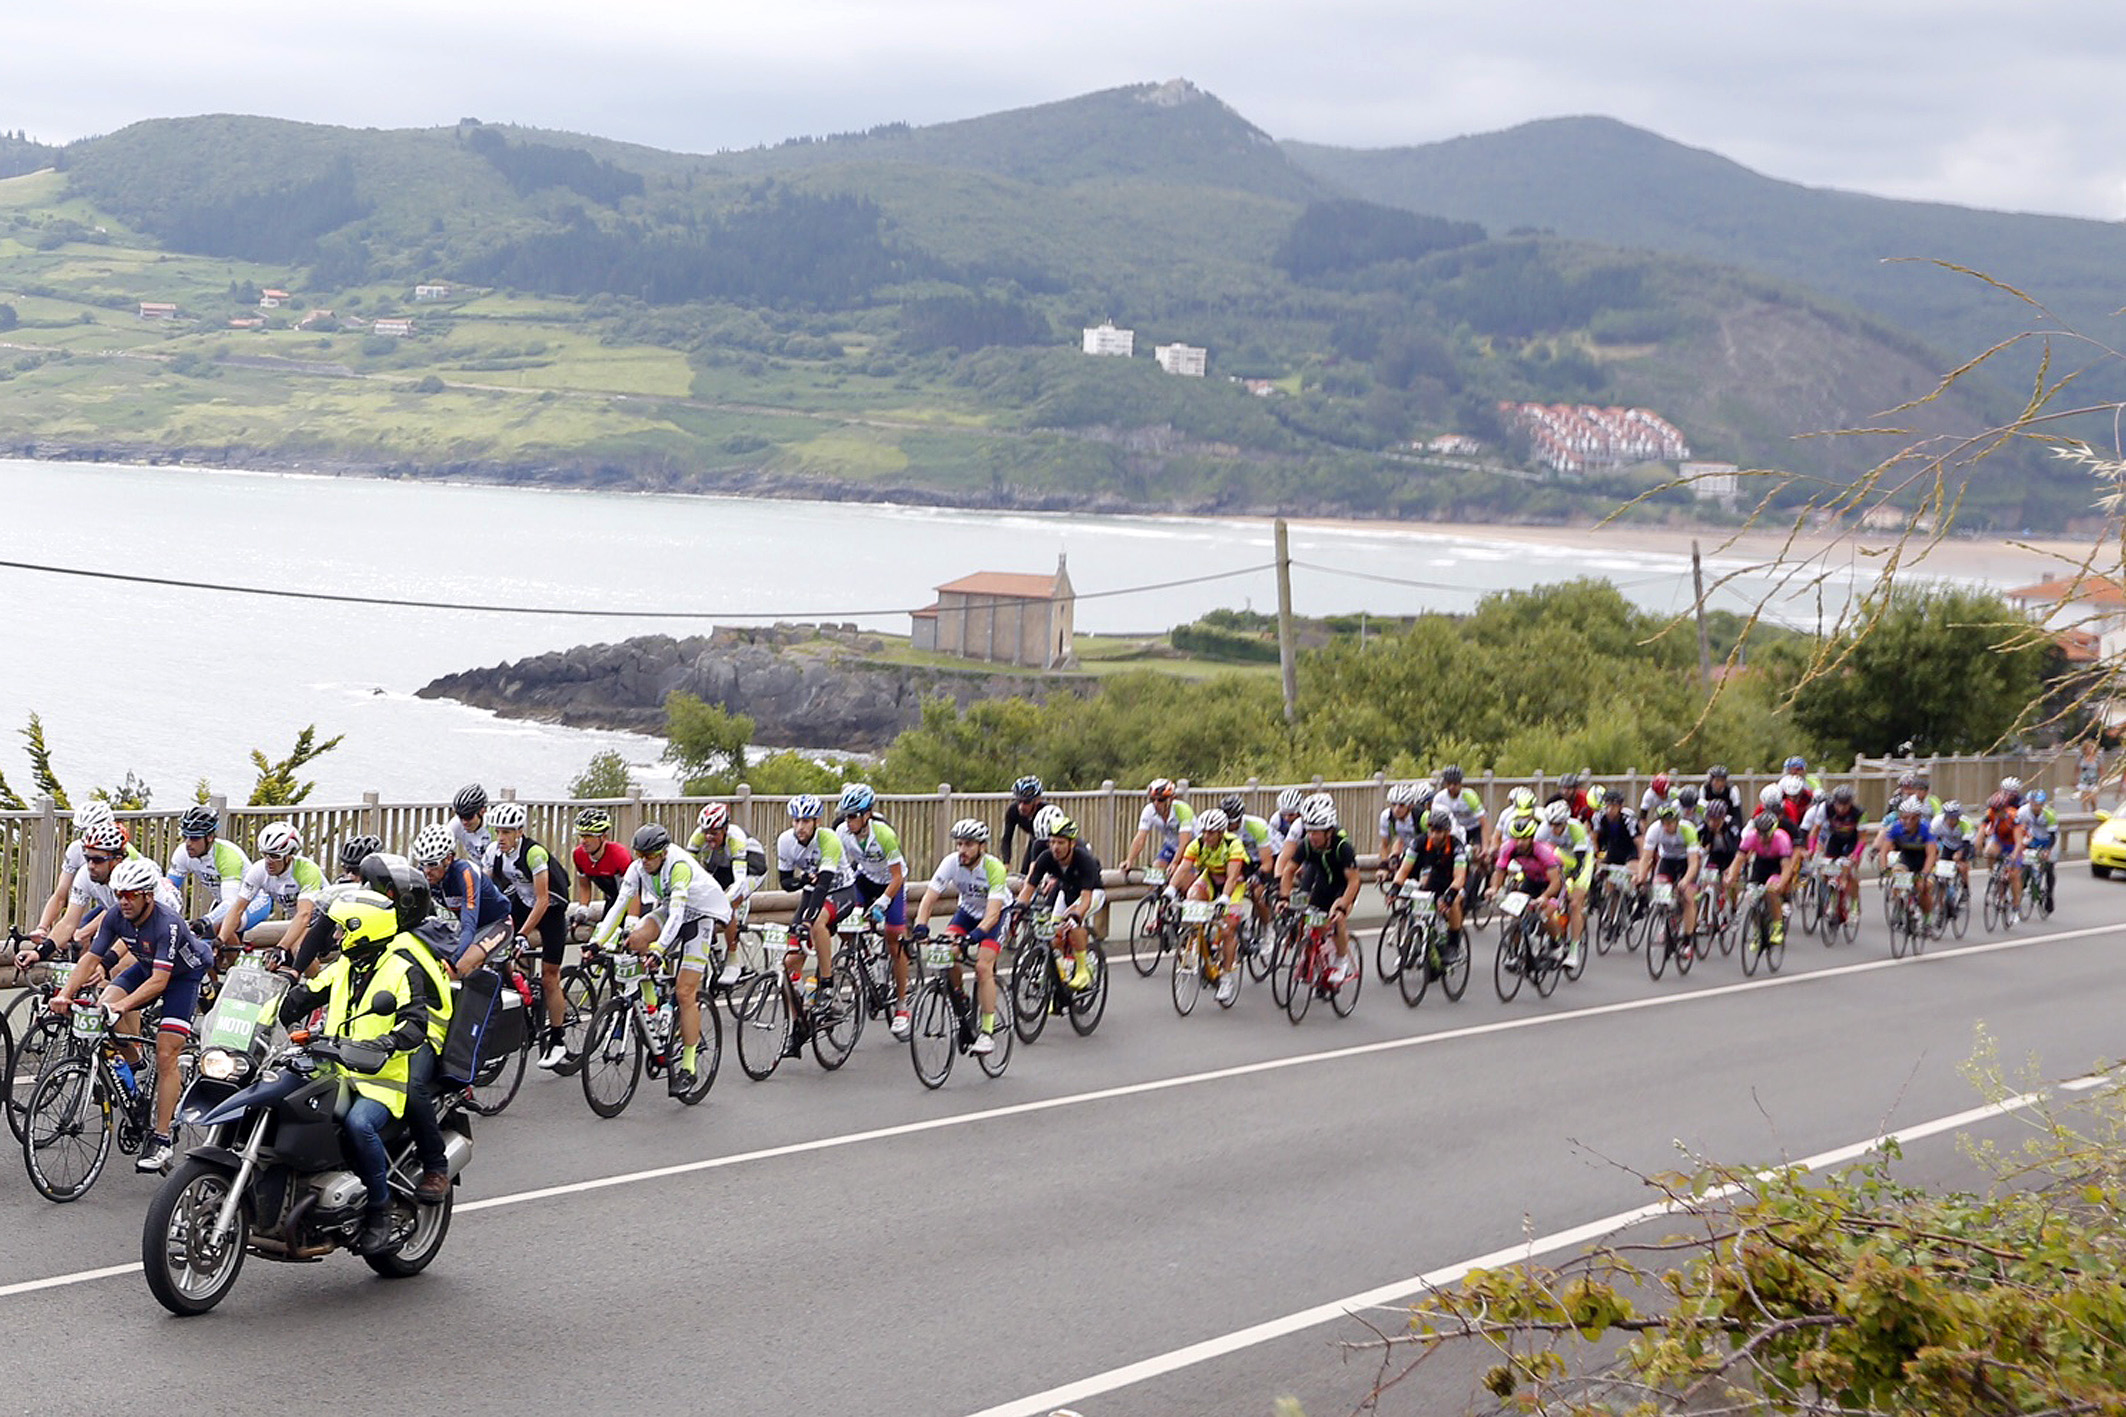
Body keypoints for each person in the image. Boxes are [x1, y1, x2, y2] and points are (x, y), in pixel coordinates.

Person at [276, 880, 454, 1254]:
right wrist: (275, 1004)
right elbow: (307, 995)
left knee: (359, 1124)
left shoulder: (401, 968)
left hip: (382, 1077)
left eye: (343, 927)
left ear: (362, 930)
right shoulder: (344, 966)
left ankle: (379, 1208)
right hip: (337, 1068)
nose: (336, 935)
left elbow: (414, 1024)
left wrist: (388, 1042)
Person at [48, 857, 215, 1173]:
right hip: (148, 965)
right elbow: (90, 960)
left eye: (131, 895)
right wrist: (65, 994)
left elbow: (159, 982)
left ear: (148, 896)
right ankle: (136, 1066)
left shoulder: (168, 924)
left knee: (166, 1053)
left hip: (183, 976)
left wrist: (123, 1006)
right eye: (119, 893)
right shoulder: (115, 916)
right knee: (103, 1004)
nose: (123, 900)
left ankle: (162, 1140)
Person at [590, 823, 730, 1094]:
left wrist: (660, 950)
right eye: (640, 855)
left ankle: (688, 1066)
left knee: (686, 992)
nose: (644, 862)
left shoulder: (679, 866)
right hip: (671, 909)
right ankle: (653, 1010)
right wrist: (597, 942)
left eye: (649, 856)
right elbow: (621, 904)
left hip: (700, 916)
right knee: (636, 940)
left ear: (663, 853)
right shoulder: (638, 866)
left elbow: (678, 915)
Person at [909, 818, 1012, 1054]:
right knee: (946, 952)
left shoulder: (993, 868)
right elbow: (928, 899)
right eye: (959, 844)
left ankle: (987, 1032)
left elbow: (993, 914)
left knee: (983, 967)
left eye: (968, 845)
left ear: (981, 846)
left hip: (995, 915)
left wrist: (974, 936)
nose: (962, 850)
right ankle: (960, 997)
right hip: (967, 912)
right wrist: (921, 926)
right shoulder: (951, 863)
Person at [484, 802, 572, 1069]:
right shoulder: (494, 852)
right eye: (498, 831)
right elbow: (487, 891)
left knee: (549, 977)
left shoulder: (534, 854)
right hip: (522, 901)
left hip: (550, 908)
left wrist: (522, 934)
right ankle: (522, 997)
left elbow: (543, 900)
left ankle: (557, 1040)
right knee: (496, 952)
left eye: (507, 832)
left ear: (519, 832)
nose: (501, 837)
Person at [834, 785, 910, 1031]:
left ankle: (901, 1005)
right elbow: (843, 870)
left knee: (893, 938)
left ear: (867, 815)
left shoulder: (884, 834)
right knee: (844, 923)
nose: (849, 821)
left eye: (853, 816)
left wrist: (883, 902)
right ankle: (864, 958)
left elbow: (897, 877)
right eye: (846, 816)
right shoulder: (842, 833)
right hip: (864, 879)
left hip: (891, 882)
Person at [776, 794, 854, 1015]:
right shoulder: (785, 841)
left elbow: (824, 884)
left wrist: (807, 921)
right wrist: (802, 880)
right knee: (790, 961)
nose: (800, 826)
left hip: (840, 891)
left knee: (817, 922)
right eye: (796, 821)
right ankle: (797, 1025)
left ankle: (828, 983)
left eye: (806, 821)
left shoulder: (828, 839)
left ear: (817, 822)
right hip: (811, 894)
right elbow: (786, 883)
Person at [1016, 807, 1103, 995]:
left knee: (1071, 922)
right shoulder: (1046, 857)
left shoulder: (1084, 860)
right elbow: (1028, 888)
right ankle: (1060, 972)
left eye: (1061, 842)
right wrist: (1018, 908)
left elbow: (1086, 900)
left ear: (1071, 843)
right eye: (1052, 842)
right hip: (1067, 891)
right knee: (1053, 932)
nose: (1055, 847)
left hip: (1091, 893)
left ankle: (1082, 971)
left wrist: (1076, 915)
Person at [1278, 795, 1363, 988]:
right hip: (1323, 885)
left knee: (1336, 917)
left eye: (1316, 832)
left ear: (1329, 832)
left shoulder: (1343, 847)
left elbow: (1354, 881)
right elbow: (1289, 870)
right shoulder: (1307, 844)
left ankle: (1341, 961)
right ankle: (1317, 958)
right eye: (1309, 831)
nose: (1312, 836)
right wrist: (1284, 897)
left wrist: (1343, 905)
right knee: (1311, 921)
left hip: (1344, 887)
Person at [1168, 808, 1249, 1004]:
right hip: (1211, 879)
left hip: (1233, 884)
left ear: (1221, 833)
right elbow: (1183, 868)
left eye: (1211, 833)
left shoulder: (1234, 845)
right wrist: (1170, 889)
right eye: (1203, 832)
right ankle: (1194, 940)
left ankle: (1227, 978)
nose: (1206, 836)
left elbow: (1231, 878)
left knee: (1228, 928)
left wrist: (1224, 899)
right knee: (1192, 897)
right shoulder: (1197, 844)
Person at [409, 822, 511, 976]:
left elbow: (469, 926)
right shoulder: (426, 874)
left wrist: (451, 962)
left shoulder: (465, 873)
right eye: (422, 864)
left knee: (460, 967)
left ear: (448, 859)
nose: (426, 871)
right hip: (469, 926)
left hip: (496, 924)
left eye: (432, 864)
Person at [216, 821, 326, 957]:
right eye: (265, 854)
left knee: (298, 949)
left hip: (326, 920)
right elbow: (237, 909)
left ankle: (315, 978)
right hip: (301, 922)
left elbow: (304, 915)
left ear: (289, 856)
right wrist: (219, 940)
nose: (268, 861)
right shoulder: (259, 870)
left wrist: (281, 948)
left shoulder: (307, 870)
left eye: (274, 856)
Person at [688, 802, 763, 988]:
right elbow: (688, 872)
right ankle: (714, 950)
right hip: (722, 868)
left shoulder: (735, 838)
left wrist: (722, 902)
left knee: (728, 906)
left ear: (725, 828)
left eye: (714, 833)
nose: (709, 837)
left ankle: (733, 960)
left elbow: (738, 881)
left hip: (751, 871)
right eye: (706, 831)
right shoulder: (698, 837)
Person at [1389, 808, 1469, 969]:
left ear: (1447, 832)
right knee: (1417, 899)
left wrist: (1448, 897)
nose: (1434, 835)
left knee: (1453, 903)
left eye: (1439, 831)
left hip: (1454, 881)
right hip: (1434, 879)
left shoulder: (1456, 846)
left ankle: (1453, 945)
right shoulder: (1419, 842)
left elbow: (1459, 877)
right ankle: (1419, 941)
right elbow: (1404, 870)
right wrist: (1394, 889)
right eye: (1432, 830)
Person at [165, 805, 259, 935]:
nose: (188, 843)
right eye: (185, 836)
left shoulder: (228, 856)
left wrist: (205, 921)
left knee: (220, 925)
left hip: (253, 901)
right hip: (224, 901)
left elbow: (232, 903)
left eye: (194, 838)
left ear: (209, 837)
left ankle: (231, 954)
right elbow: (170, 888)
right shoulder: (183, 852)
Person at [1731, 808, 1799, 949]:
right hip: (1760, 864)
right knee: (1752, 897)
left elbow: (1787, 867)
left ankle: (1777, 926)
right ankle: (1758, 932)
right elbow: (1739, 858)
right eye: (1759, 834)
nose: (1762, 838)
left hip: (1777, 865)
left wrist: (1781, 883)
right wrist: (1732, 876)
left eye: (1765, 834)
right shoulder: (1751, 836)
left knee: (1771, 890)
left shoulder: (1782, 839)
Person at [1635, 802, 1702, 940]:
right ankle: (1668, 919)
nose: (1666, 826)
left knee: (1688, 897)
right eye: (1664, 823)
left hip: (1686, 861)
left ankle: (1688, 941)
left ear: (1677, 821)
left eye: (1670, 823)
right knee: (1659, 886)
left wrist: (1685, 880)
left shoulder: (1687, 830)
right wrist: (1640, 876)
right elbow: (1646, 858)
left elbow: (1694, 863)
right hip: (1667, 860)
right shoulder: (1654, 830)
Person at [1873, 796, 1940, 920]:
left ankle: (1927, 918)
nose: (1908, 821)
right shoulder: (1896, 828)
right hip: (1907, 857)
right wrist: (1883, 868)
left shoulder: (1926, 829)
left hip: (1924, 860)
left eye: (1913, 818)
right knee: (1897, 877)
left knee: (1922, 887)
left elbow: (1931, 854)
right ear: (1900, 817)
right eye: (1904, 817)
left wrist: (1925, 873)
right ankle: (1901, 903)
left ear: (1919, 817)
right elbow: (1884, 851)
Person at [569, 807, 633, 926]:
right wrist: (583, 908)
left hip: (634, 899)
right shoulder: (578, 855)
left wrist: (631, 922)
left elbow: (633, 893)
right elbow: (584, 886)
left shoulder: (619, 855)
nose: (583, 841)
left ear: (603, 837)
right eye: (581, 835)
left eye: (588, 836)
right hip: (613, 899)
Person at [1121, 778, 1196, 875]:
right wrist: (1129, 860)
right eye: (1152, 799)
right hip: (1171, 845)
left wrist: (1175, 863)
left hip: (1192, 846)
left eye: (1161, 799)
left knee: (1181, 875)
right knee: (1156, 871)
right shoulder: (1149, 810)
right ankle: (1156, 890)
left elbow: (1184, 841)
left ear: (1172, 798)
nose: (1156, 803)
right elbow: (1140, 838)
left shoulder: (1183, 810)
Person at [999, 775, 1050, 874]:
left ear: (1037, 800)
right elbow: (1006, 838)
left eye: (1026, 802)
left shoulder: (1046, 812)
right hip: (1034, 842)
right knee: (1025, 875)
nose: (1021, 806)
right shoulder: (1013, 810)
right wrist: (1006, 862)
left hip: (1049, 843)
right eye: (1019, 801)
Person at [2019, 788, 2059, 911]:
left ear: (2042, 805)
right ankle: (2024, 881)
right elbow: (2019, 829)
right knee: (2026, 862)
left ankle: (2050, 895)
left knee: (2048, 865)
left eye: (2038, 805)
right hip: (2033, 837)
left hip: (2049, 839)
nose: (2035, 807)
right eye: (2032, 804)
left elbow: (2052, 836)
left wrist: (2047, 850)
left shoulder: (2050, 814)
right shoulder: (2023, 811)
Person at [451, 784, 493, 864]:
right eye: (461, 816)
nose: (464, 822)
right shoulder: (456, 823)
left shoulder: (493, 826)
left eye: (468, 816)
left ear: (482, 811)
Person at [2077, 742, 2102, 812]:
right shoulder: (2081, 758)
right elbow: (2077, 768)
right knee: (2084, 799)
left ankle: (2094, 810)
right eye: (2089, 747)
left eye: (2092, 748)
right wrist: (2076, 778)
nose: (2090, 749)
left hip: (2094, 781)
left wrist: (2101, 780)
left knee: (2093, 800)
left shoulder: (2097, 759)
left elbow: (2100, 769)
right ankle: (2085, 814)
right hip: (2083, 781)